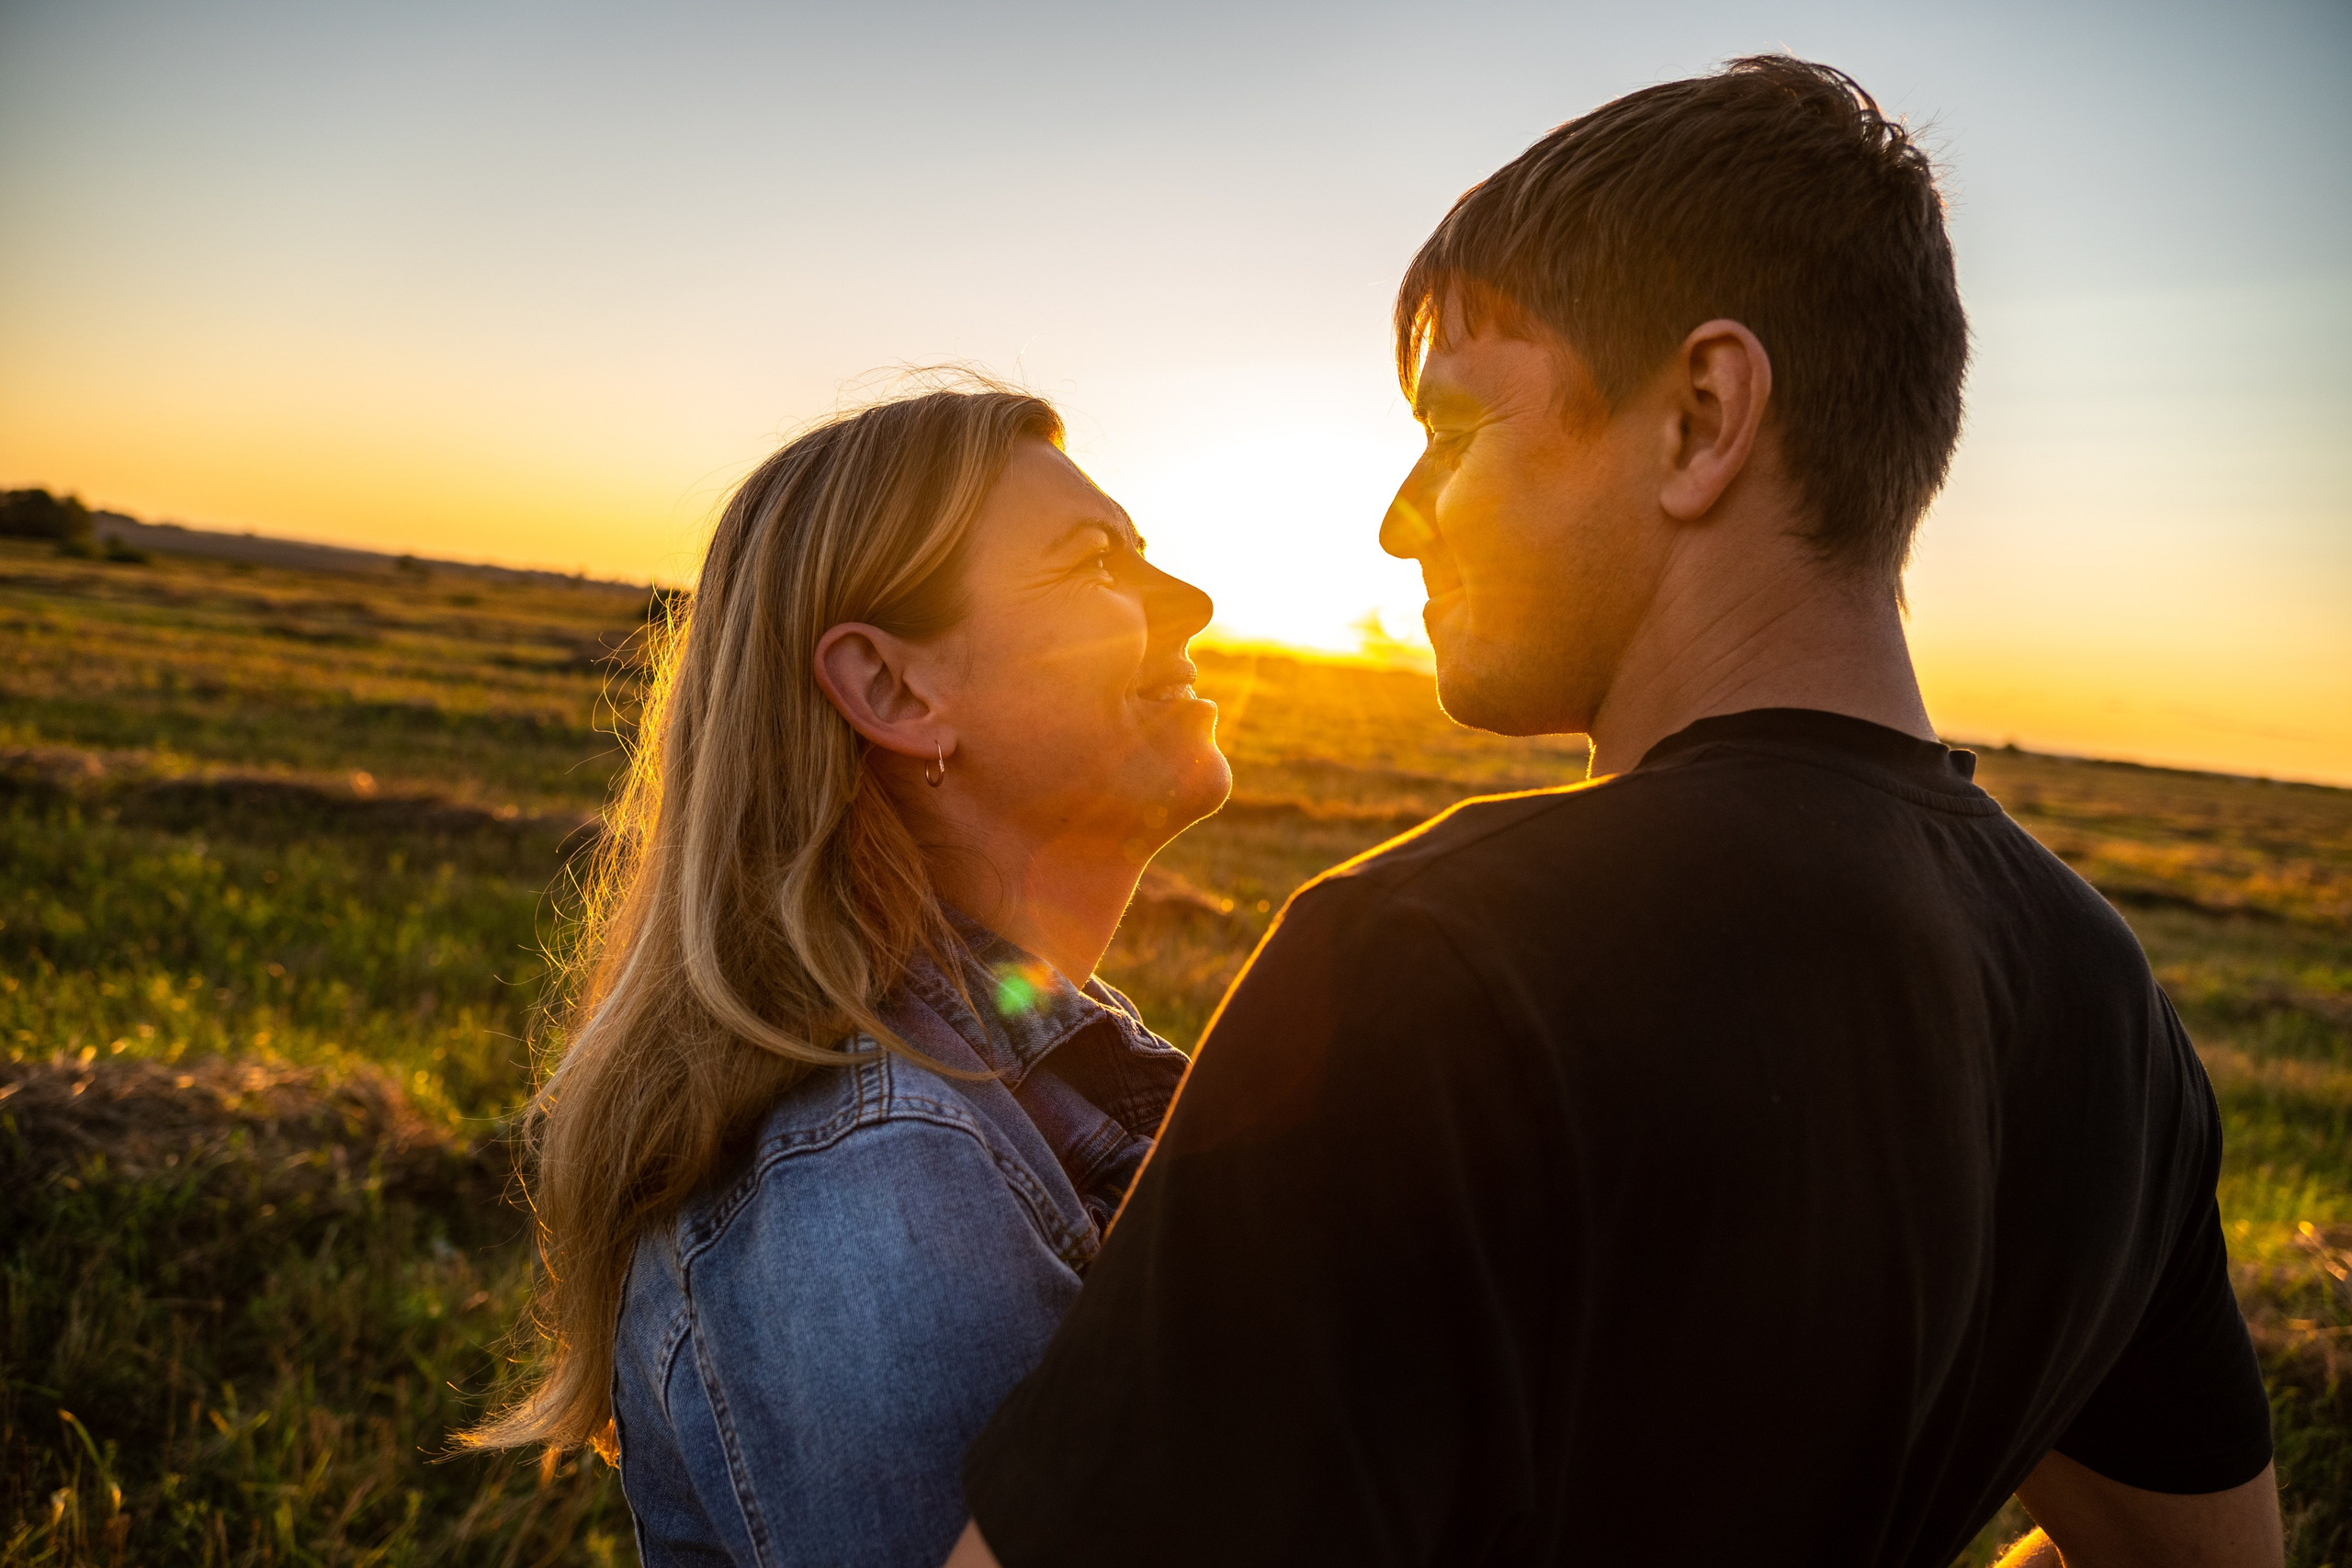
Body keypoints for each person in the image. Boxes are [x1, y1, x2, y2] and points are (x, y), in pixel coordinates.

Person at [946, 58, 2281, 1568]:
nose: (1399, 515)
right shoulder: (2106, 1001)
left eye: (1455, 433)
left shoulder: (1429, 962)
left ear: (1702, 417)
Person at [462, 383, 1232, 1567]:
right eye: (1095, 566)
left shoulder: (1004, 1089)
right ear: (893, 691)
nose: (1192, 604)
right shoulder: (878, 1176)